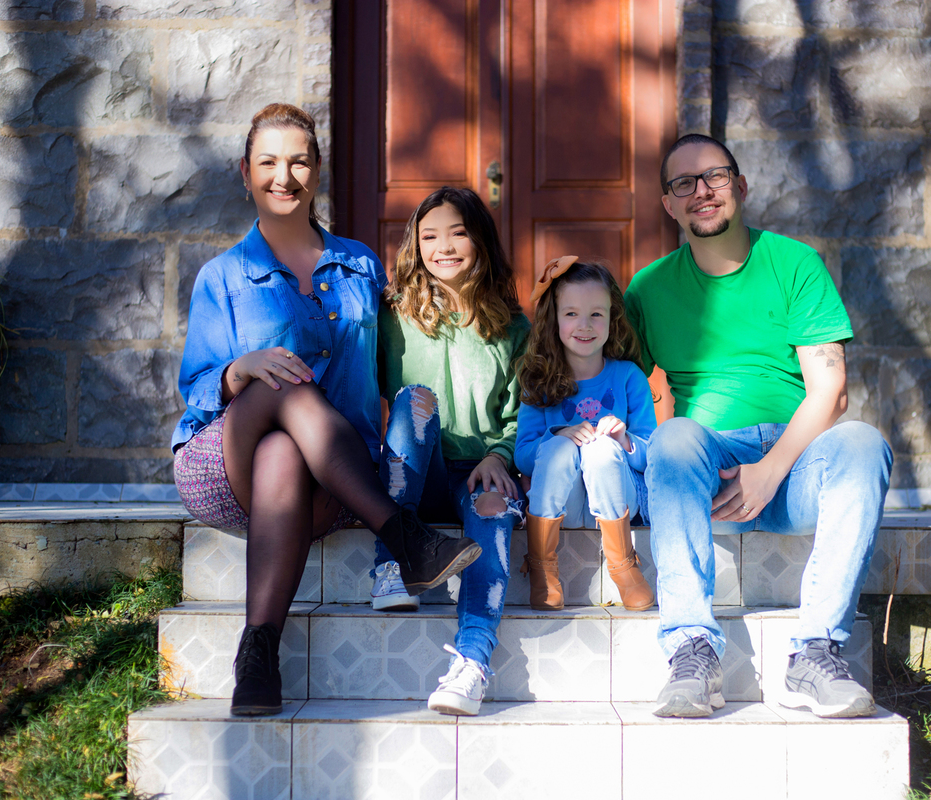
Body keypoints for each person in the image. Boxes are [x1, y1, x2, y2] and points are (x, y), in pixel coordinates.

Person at [172, 105, 480, 717]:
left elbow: (407, 348)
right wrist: (241, 369)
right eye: (268, 162)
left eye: (299, 161)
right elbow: (198, 386)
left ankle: (256, 653)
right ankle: (401, 533)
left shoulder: (360, 264)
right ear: (245, 172)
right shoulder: (222, 276)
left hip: (333, 479)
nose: (283, 176)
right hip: (224, 465)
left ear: (317, 172)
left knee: (286, 450)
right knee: (280, 380)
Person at [625, 133, 892, 719]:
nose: (702, 191)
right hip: (710, 469)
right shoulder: (646, 290)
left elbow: (831, 391)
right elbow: (618, 385)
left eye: (716, 177)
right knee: (672, 437)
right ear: (668, 204)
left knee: (865, 443)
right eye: (683, 184)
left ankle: (816, 655)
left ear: (741, 187)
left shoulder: (794, 262)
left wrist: (772, 470)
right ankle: (691, 651)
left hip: (798, 466)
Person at [370, 186, 530, 716]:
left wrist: (500, 456)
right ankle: (391, 560)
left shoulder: (512, 325)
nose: (444, 246)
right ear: (415, 245)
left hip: (478, 475)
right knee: (414, 401)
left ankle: (471, 663)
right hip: (415, 470)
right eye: (430, 235)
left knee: (492, 506)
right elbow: (365, 394)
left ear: (480, 240)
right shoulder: (392, 316)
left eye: (458, 232)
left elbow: (522, 414)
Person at [515, 258, 657, 611]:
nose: (585, 325)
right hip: (563, 500)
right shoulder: (540, 379)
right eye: (571, 314)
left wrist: (624, 440)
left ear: (612, 319)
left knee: (600, 450)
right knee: (559, 449)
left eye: (597, 314)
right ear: (554, 319)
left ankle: (624, 567)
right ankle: (543, 569)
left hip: (616, 495)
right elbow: (523, 455)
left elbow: (650, 452)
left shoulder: (628, 377)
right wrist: (560, 435)